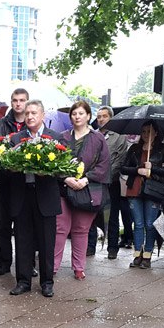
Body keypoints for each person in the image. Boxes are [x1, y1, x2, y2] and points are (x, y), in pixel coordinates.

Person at [7, 99, 61, 297]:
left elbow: (62, 169)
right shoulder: (15, 139)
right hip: (22, 194)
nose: (29, 116)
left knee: (47, 241)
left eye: (34, 113)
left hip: (45, 196)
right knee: (22, 240)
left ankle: (47, 282)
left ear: (42, 115)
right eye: (27, 113)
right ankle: (23, 281)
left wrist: (47, 171)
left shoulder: (54, 138)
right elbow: (8, 166)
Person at [54, 101, 110, 280]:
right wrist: (66, 178)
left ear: (88, 116)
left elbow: (104, 165)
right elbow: (54, 162)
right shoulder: (62, 137)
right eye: (74, 114)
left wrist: (86, 179)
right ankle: (53, 267)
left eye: (81, 113)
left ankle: (79, 268)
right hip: (64, 188)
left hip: (88, 190)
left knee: (81, 229)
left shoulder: (98, 138)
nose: (77, 116)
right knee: (60, 229)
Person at [120, 121, 164, 269]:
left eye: (149, 132)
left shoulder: (163, 149)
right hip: (134, 189)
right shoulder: (134, 148)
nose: (145, 135)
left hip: (153, 190)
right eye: (143, 132)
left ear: (156, 133)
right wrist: (138, 170)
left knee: (150, 224)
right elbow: (123, 168)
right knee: (138, 224)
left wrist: (153, 169)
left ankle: (147, 256)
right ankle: (137, 254)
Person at [0, 88, 29, 276]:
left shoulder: (32, 124)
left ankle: (27, 264)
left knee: (25, 226)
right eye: (15, 100)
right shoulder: (1, 125)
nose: (18, 104)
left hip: (26, 182)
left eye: (22, 100)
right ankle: (4, 262)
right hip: (6, 181)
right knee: (4, 225)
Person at [91, 106, 130, 259]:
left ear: (111, 118)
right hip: (93, 182)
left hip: (110, 182)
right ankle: (90, 246)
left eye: (104, 116)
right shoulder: (92, 135)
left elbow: (119, 161)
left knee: (112, 216)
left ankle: (112, 247)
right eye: (99, 116)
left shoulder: (119, 137)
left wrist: (103, 176)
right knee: (92, 215)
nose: (101, 119)